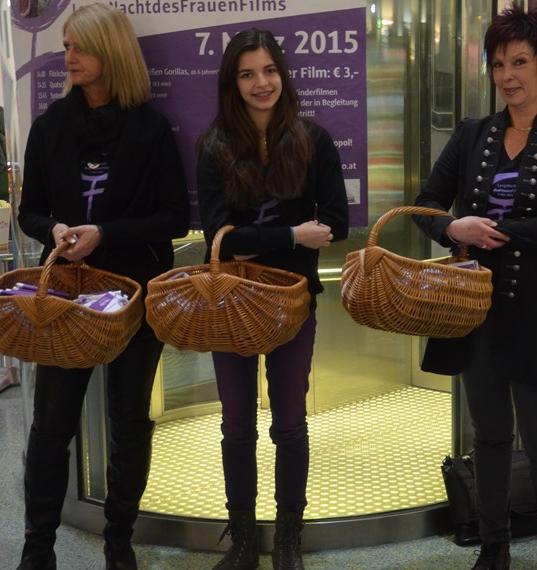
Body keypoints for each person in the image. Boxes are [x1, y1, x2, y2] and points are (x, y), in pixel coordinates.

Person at [413, 6, 537, 570]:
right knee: (489, 436)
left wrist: (490, 231)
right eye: (498, 64)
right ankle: (493, 545)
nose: (507, 75)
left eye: (519, 62)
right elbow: (424, 205)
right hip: (477, 313)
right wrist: (450, 227)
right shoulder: (472, 136)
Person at [15, 4, 190, 569]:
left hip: (134, 296)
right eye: (66, 45)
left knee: (130, 421)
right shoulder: (50, 127)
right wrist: (57, 229)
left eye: (80, 47)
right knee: (51, 424)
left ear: (110, 53)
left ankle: (120, 543)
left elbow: (175, 217)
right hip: (65, 297)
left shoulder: (151, 129)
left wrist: (107, 233)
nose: (69, 57)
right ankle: (38, 548)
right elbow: (31, 212)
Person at [196, 28, 349, 570]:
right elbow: (220, 237)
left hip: (292, 305)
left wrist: (264, 240)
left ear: (282, 74)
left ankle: (288, 540)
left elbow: (337, 224)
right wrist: (289, 236)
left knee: (289, 421)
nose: (261, 84)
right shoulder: (214, 147)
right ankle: (242, 542)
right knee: (235, 422)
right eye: (247, 74)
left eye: (269, 71)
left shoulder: (314, 140)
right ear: (232, 83)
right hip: (230, 305)